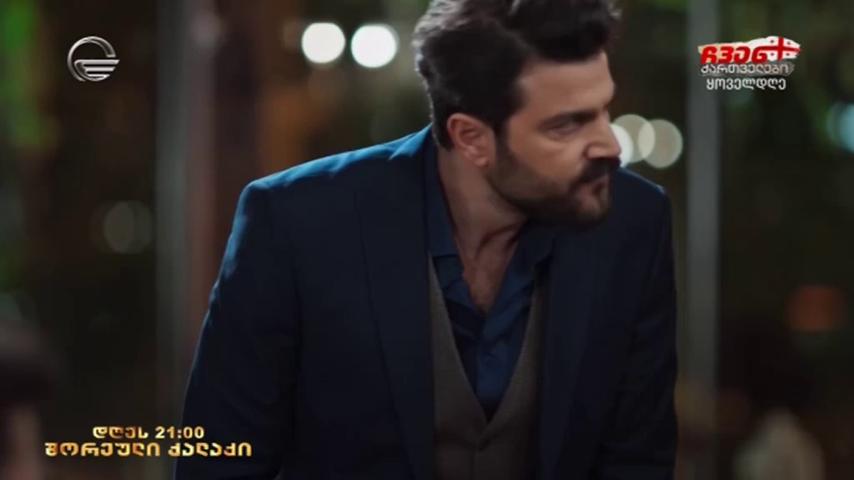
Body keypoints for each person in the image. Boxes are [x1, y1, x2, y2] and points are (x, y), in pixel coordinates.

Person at [176, 0, 678, 478]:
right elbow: (218, 461)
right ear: (472, 138)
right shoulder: (296, 223)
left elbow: (637, 460)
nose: (609, 145)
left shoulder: (632, 223)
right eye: (566, 125)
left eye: (603, 109)